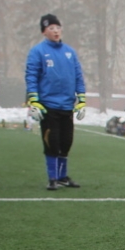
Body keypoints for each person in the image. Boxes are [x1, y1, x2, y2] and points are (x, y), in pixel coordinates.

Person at [25, 13, 86, 191]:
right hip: (48, 106)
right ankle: (52, 177)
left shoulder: (69, 52)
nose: (56, 31)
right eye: (51, 28)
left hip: (67, 106)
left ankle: (62, 177)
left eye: (58, 28)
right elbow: (31, 76)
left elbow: (78, 76)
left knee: (66, 142)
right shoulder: (37, 52)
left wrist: (81, 99)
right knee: (52, 142)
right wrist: (34, 100)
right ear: (44, 32)